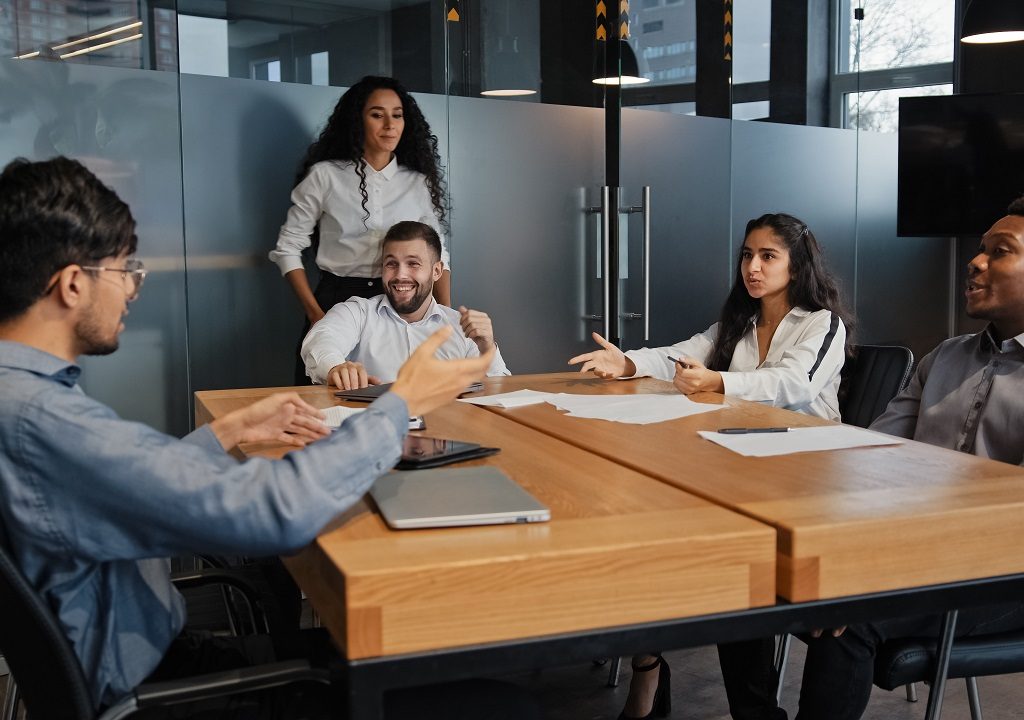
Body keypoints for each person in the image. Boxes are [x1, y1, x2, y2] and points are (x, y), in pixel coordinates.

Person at [0, 157, 539, 720]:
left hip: (147, 666)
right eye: (123, 269)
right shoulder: (44, 421)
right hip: (161, 692)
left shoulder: (22, 402)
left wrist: (224, 432)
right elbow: (275, 512)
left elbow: (118, 485)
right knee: (504, 705)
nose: (134, 288)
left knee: (401, 660)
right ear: (70, 284)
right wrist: (400, 405)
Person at [568, 212, 852, 720]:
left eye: (768, 256)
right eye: (747, 255)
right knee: (730, 576)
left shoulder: (820, 322)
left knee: (746, 575)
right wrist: (628, 363)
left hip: (807, 474)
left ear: (798, 263)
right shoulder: (738, 324)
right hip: (742, 465)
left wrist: (718, 382)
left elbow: (797, 384)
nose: (753, 267)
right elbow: (680, 357)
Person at [772, 197, 1024, 720]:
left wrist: (880, 566)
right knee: (767, 577)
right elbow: (873, 458)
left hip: (1003, 571)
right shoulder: (946, 356)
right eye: (979, 250)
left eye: (1000, 252)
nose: (975, 262)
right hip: (922, 549)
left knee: (849, 618)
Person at [268, 76, 450, 383]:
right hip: (335, 299)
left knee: (395, 398)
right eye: (377, 115)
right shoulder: (325, 176)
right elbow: (287, 249)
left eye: (397, 115)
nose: (390, 125)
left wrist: (445, 319)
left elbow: (439, 254)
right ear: (357, 121)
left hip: (398, 300)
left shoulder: (417, 183)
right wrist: (316, 315)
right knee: (327, 395)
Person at [301, 220, 508, 388]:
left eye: (413, 264)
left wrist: (487, 347)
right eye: (391, 264)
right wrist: (335, 368)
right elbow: (321, 341)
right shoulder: (357, 312)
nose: (400, 275)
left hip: (445, 434)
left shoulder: (461, 327)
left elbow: (499, 389)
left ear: (436, 271)